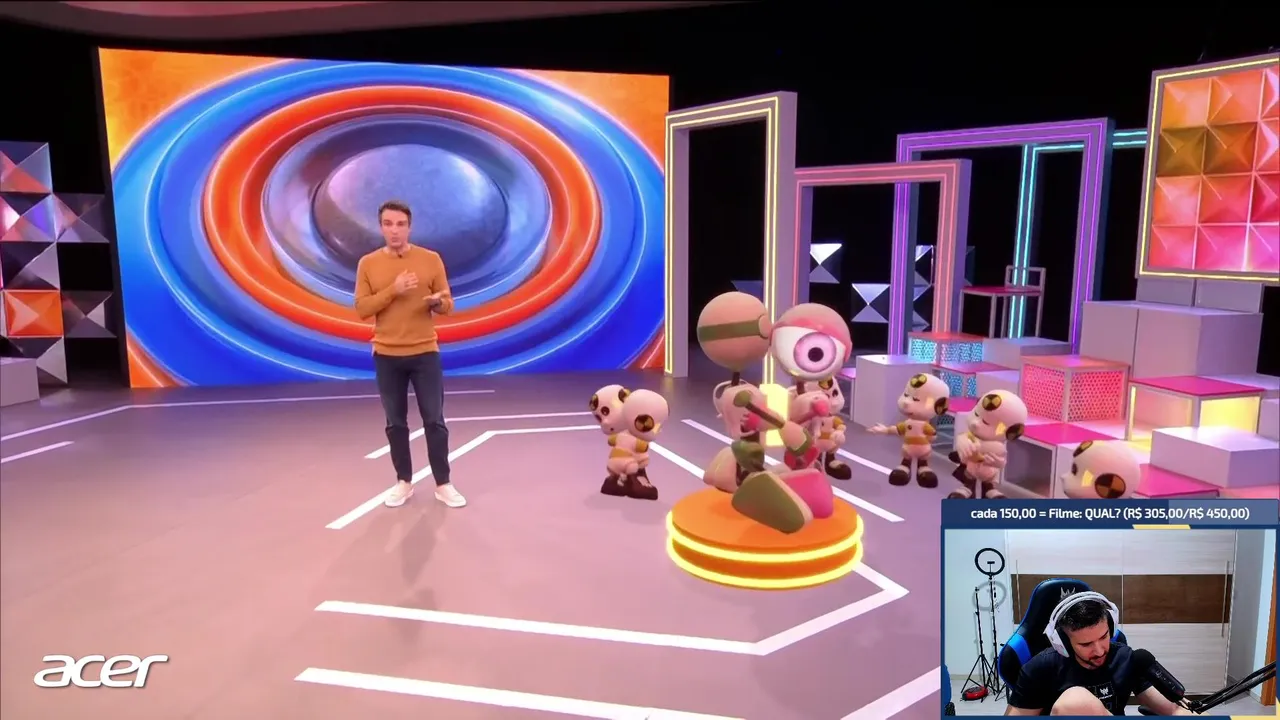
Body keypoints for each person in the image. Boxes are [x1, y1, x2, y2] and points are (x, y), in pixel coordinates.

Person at [354, 200, 466, 510]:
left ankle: (443, 484)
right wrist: (394, 289)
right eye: (388, 224)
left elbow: (448, 304)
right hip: (386, 354)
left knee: (435, 420)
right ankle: (403, 481)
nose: (394, 230)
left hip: (424, 352)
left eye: (400, 224)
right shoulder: (368, 263)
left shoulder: (430, 259)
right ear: (381, 227)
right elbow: (363, 309)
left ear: (409, 227)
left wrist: (437, 303)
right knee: (396, 423)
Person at [1006, 597, 1196, 716]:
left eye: (1104, 637)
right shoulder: (1040, 669)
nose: (1099, 651)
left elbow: (1174, 709)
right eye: (1086, 644)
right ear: (1063, 643)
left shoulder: (1125, 658)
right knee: (1076, 701)